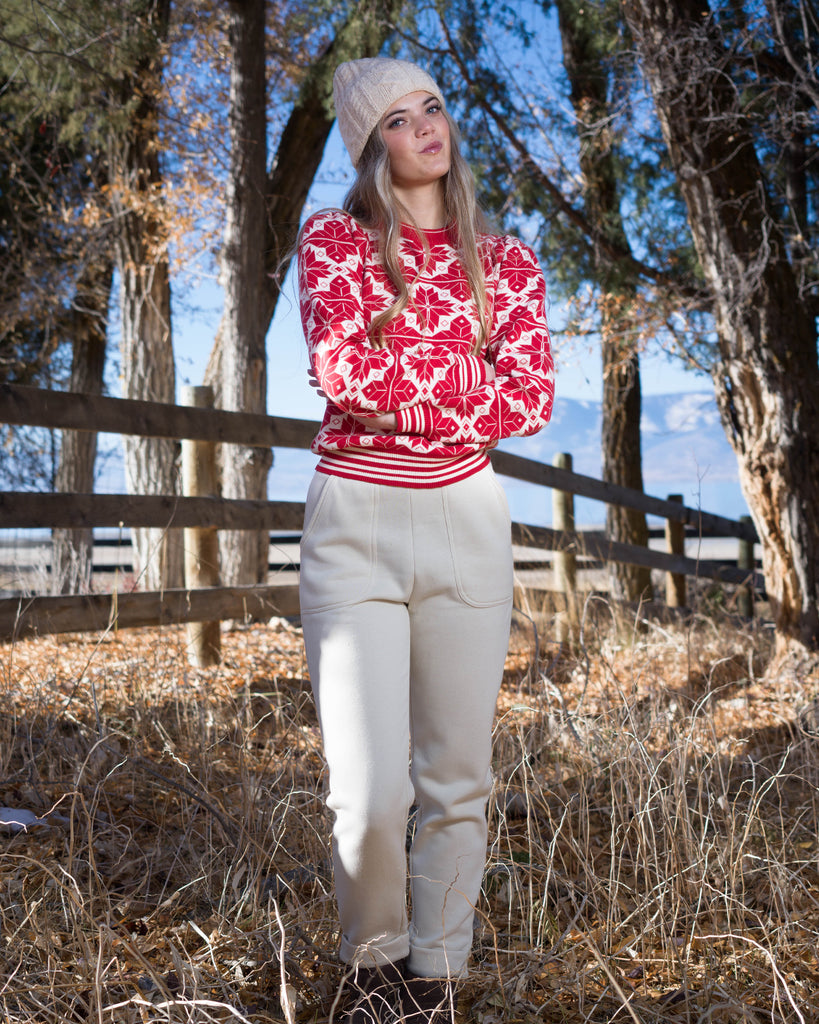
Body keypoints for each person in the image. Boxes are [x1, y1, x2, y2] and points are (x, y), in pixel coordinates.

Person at [296, 57, 554, 1024]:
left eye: (433, 107)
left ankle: (435, 979)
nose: (426, 129)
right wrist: (460, 388)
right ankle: (372, 975)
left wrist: (403, 380)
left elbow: (527, 400)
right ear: (373, 147)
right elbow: (340, 371)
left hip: (467, 523)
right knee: (364, 791)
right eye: (399, 120)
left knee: (457, 777)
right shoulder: (336, 241)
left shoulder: (508, 257)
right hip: (353, 524)